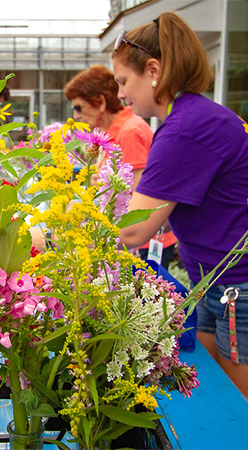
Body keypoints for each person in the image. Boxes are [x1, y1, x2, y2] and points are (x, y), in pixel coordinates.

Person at [112, 12, 248, 397]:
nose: (121, 94)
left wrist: (56, 236)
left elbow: (133, 229)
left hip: (238, 286)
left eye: (124, 81)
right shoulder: (190, 118)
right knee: (209, 389)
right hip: (213, 280)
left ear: (153, 69)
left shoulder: (187, 128)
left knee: (237, 404)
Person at [64, 64, 177, 269]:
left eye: (78, 107)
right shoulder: (113, 133)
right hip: (126, 236)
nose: (76, 115)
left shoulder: (130, 131)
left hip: (142, 243)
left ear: (100, 102)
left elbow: (139, 199)